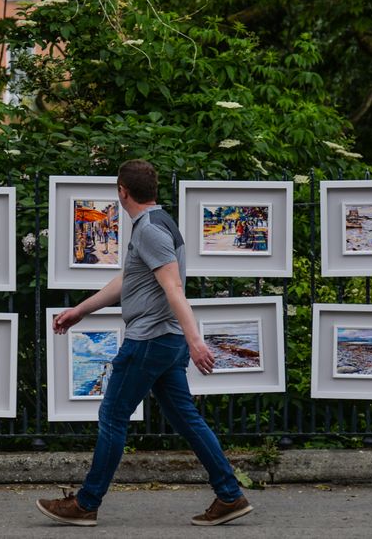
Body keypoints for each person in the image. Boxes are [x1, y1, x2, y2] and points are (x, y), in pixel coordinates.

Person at [36, 159, 252, 528]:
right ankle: (230, 495)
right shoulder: (157, 223)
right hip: (165, 342)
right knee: (186, 419)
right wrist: (81, 311)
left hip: (150, 340)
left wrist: (196, 339)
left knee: (112, 417)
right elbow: (129, 280)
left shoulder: (149, 229)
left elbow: (173, 287)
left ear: (122, 191)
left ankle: (86, 503)